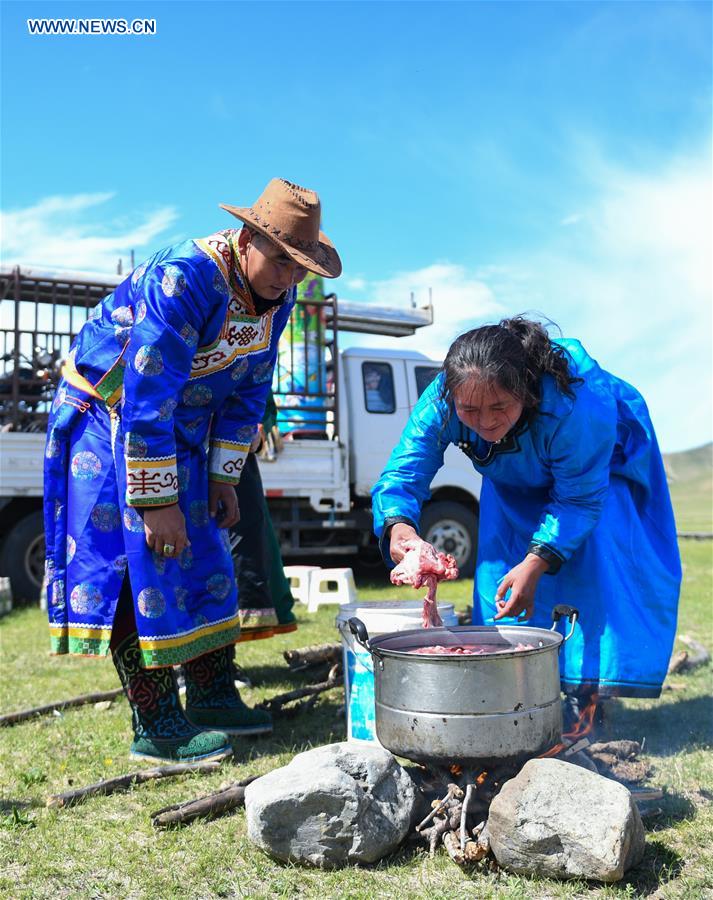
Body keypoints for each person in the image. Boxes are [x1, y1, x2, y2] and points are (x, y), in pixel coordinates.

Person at [43, 178, 342, 763]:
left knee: (208, 552)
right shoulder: (185, 275)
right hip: (111, 419)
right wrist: (156, 502)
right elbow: (146, 390)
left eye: (300, 267)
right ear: (249, 238)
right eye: (280, 259)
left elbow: (249, 393)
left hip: (181, 430)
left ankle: (210, 695)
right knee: (139, 563)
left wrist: (224, 478)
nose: (288, 277)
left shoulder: (275, 303)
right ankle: (154, 723)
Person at [372, 317, 681, 717]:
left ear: (526, 392)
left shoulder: (576, 405)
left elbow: (580, 501)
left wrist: (537, 562)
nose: (484, 423)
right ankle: (514, 690)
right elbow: (404, 471)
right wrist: (400, 527)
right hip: (511, 478)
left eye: (499, 407)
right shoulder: (443, 402)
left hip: (600, 475)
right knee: (499, 578)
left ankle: (588, 700)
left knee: (590, 568)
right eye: (470, 410)